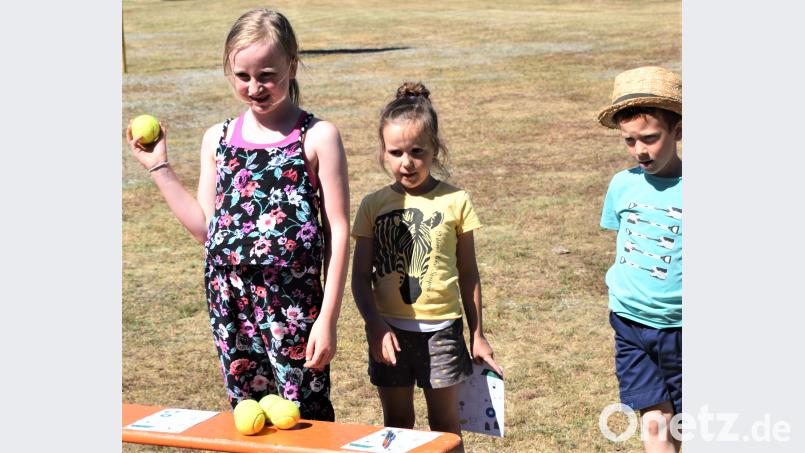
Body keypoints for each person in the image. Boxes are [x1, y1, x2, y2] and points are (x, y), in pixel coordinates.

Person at [126, 8, 349, 421]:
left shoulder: (317, 137)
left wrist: (327, 319)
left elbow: (337, 230)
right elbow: (206, 231)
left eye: (267, 75)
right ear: (228, 71)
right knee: (249, 419)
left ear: (292, 66)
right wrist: (159, 167)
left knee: (305, 418)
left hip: (293, 305)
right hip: (230, 305)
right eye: (242, 76)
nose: (254, 87)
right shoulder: (219, 139)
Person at [351, 82, 503, 449]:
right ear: (384, 154)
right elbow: (358, 278)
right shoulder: (373, 205)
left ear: (435, 149)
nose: (407, 161)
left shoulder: (456, 201)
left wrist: (477, 333)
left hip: (443, 333)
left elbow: (468, 273)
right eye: (396, 151)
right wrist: (374, 325)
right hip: (390, 333)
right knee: (398, 424)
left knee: (445, 426)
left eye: (418, 151)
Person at [597, 66, 682, 452]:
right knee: (654, 427)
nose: (640, 151)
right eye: (630, 141)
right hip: (630, 323)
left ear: (678, 131)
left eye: (650, 138)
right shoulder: (622, 184)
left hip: (682, 329)